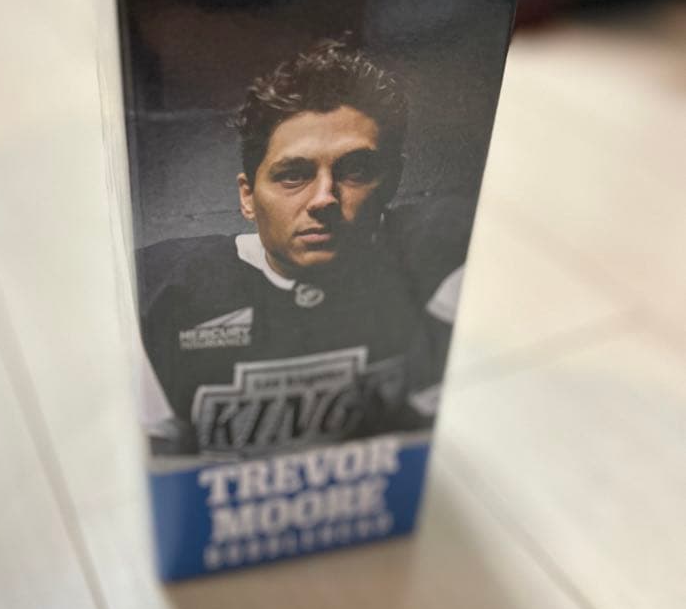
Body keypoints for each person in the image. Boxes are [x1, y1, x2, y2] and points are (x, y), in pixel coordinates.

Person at [136, 39, 464, 457]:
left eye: (356, 170)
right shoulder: (165, 291)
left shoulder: (436, 254)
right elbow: (159, 462)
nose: (324, 198)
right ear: (248, 196)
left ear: (392, 180)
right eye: (293, 174)